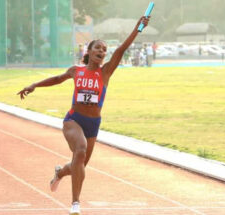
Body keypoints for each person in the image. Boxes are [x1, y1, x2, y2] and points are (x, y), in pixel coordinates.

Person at [17, 16, 150, 215]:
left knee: (79, 165)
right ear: (88, 51)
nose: (102, 52)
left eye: (104, 50)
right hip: (74, 120)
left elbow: (121, 49)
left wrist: (138, 28)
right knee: (80, 150)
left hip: (93, 123)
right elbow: (57, 79)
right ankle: (75, 204)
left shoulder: (105, 72)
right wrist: (34, 85)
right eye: (98, 48)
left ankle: (60, 172)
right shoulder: (76, 71)